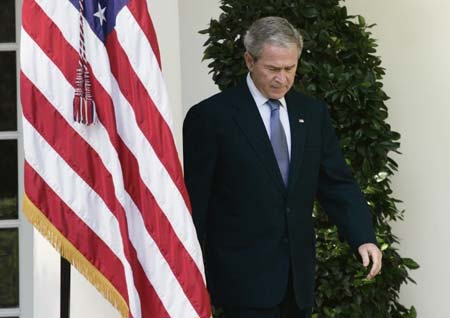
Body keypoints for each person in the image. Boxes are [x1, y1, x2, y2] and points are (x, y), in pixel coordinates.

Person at [183, 16, 382, 318]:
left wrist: (363, 236)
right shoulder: (211, 117)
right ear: (249, 60)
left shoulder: (312, 114)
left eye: (290, 68)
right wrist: (187, 270)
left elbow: (337, 183)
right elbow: (195, 200)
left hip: (297, 282)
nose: (283, 79)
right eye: (273, 69)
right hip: (241, 283)